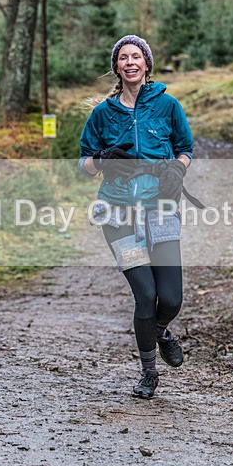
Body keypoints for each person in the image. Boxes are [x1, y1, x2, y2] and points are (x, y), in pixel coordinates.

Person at [78, 35, 194, 399]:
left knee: (171, 299)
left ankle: (159, 331)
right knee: (146, 296)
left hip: (159, 210)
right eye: (123, 57)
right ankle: (148, 372)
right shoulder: (103, 113)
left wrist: (177, 170)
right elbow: (82, 163)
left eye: (136, 56)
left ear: (147, 64)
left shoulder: (168, 106)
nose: (130, 62)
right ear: (117, 67)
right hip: (117, 214)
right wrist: (102, 161)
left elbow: (186, 148)